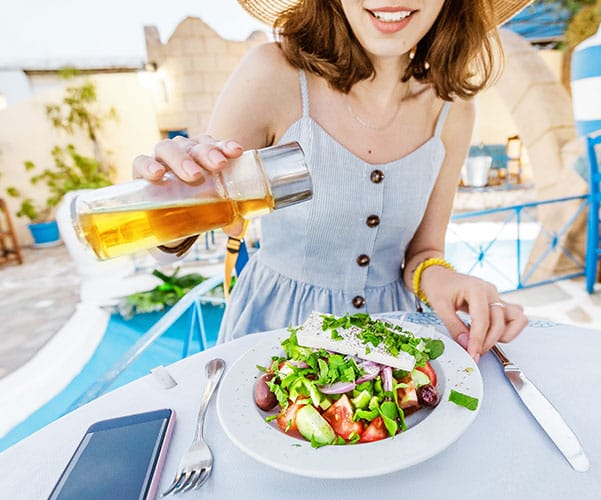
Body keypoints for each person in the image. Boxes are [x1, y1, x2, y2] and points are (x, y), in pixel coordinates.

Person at [132, 0, 531, 361]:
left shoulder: (453, 110)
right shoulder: (272, 74)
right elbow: (187, 225)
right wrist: (160, 197)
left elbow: (423, 252)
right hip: (272, 337)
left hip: (390, 344)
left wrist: (446, 279)